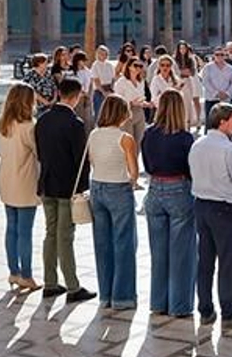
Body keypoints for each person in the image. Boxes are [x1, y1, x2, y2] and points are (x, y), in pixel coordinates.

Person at [190, 103, 232, 329]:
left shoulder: (197, 145)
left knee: (205, 261)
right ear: (222, 122)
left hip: (202, 205)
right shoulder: (229, 149)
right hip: (224, 208)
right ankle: (228, 311)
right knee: (228, 262)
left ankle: (205, 309)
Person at [35, 77, 94, 303]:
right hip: (67, 187)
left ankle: (50, 282)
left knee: (50, 233)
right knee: (65, 236)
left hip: (47, 183)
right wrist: (82, 189)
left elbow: (40, 153)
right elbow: (81, 161)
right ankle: (72, 286)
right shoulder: (75, 124)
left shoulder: (43, 120)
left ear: (59, 93)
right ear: (77, 96)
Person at [141, 89, 196, 317]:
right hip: (178, 187)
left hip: (154, 188)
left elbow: (146, 162)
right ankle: (179, 304)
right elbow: (191, 169)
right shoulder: (184, 137)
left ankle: (158, 302)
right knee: (181, 252)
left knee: (158, 252)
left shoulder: (148, 134)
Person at [86, 94, 141, 312]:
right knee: (124, 243)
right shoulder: (125, 138)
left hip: (97, 187)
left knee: (102, 244)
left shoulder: (93, 134)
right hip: (118, 189)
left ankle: (105, 295)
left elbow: (91, 160)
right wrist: (132, 181)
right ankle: (123, 297)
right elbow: (134, 172)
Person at [0, 84, 42, 293]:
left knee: (11, 228)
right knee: (25, 231)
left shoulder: (3, 124)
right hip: (24, 181)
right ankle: (27, 275)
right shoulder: (29, 126)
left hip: (6, 178)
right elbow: (38, 152)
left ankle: (13, 271)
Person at [114, 58, 151, 145]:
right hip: (126, 113)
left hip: (139, 112)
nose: (138, 68)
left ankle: (135, 158)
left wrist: (146, 103)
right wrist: (130, 103)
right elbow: (118, 100)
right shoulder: (121, 82)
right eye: (135, 65)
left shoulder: (141, 81)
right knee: (129, 142)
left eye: (140, 66)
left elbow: (141, 97)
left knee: (139, 141)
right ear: (129, 67)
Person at [90, 45, 117, 116]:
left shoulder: (110, 65)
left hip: (109, 90)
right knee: (99, 113)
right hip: (99, 91)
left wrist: (111, 89)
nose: (102, 55)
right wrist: (104, 92)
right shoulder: (95, 65)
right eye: (100, 53)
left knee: (110, 113)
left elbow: (113, 79)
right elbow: (96, 81)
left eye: (105, 53)